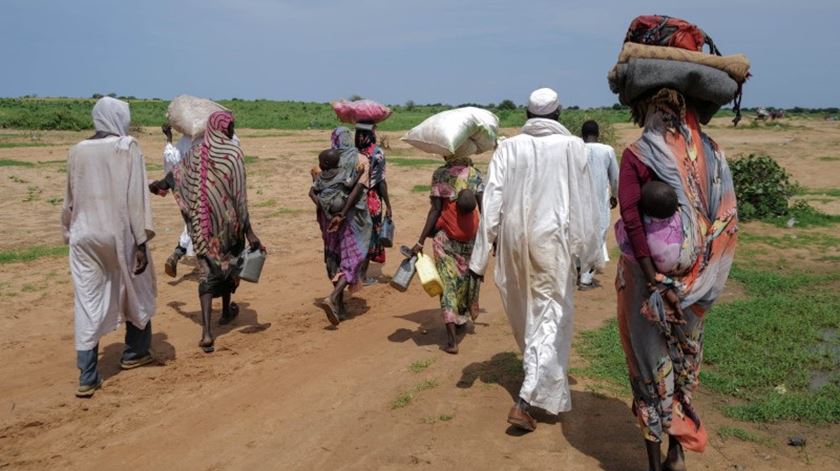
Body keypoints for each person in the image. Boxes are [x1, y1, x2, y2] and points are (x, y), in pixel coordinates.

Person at [616, 88, 737, 471]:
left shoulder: (638, 155)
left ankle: (656, 464)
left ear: (649, 112)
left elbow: (632, 220)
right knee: (683, 363)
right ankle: (677, 452)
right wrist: (698, 276)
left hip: (646, 284)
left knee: (650, 369)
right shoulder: (711, 154)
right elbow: (726, 220)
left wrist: (654, 281)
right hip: (697, 285)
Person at [470, 88, 602, 431]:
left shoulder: (508, 147)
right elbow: (584, 202)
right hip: (551, 241)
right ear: (558, 116)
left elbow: (492, 200)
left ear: (529, 116)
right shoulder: (573, 146)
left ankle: (535, 379)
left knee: (527, 313)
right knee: (551, 315)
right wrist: (587, 251)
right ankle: (527, 401)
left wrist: (480, 258)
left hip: (513, 242)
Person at [61, 97, 157, 398]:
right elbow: (135, 198)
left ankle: (88, 374)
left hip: (84, 235)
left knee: (87, 301)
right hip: (119, 233)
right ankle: (135, 352)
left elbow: (70, 198)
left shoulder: (77, 150)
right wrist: (141, 242)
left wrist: (68, 230)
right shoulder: (127, 147)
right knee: (137, 287)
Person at [149, 111, 262, 353]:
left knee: (206, 273)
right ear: (222, 129)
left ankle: (208, 332)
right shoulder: (233, 155)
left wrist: (160, 186)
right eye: (230, 127)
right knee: (230, 265)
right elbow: (240, 199)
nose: (232, 131)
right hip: (229, 227)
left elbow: (175, 176)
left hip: (203, 227)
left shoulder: (196, 154)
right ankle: (225, 312)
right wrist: (250, 233)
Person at [411, 154, 484, 354]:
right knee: (465, 279)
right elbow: (484, 209)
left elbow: (435, 210)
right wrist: (490, 240)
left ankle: (452, 339)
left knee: (447, 285)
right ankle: (459, 318)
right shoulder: (476, 175)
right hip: (471, 240)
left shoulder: (440, 174)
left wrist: (420, 240)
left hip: (445, 240)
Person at [315, 127, 373, 326]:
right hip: (352, 219)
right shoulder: (361, 160)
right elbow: (357, 189)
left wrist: (329, 212)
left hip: (328, 220)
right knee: (354, 257)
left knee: (334, 256)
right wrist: (342, 214)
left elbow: (317, 190)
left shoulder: (325, 161)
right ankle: (334, 297)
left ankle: (338, 305)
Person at [578, 120, 619, 290]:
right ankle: (586, 279)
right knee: (597, 237)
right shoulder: (607, 151)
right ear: (598, 134)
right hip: (599, 202)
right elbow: (615, 177)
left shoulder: (575, 149)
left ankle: (578, 268)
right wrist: (615, 196)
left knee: (578, 235)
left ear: (581, 134)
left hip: (578, 202)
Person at [355, 121, 391, 284]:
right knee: (369, 237)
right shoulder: (377, 153)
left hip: (352, 200)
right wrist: (388, 205)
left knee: (355, 234)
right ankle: (362, 275)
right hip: (371, 199)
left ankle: (353, 272)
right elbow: (380, 182)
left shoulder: (352, 152)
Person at [160, 123, 194, 278]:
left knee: (190, 222)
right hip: (210, 189)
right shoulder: (214, 139)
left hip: (187, 188)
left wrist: (168, 139)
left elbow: (172, 159)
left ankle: (177, 254)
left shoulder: (186, 140)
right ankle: (179, 253)